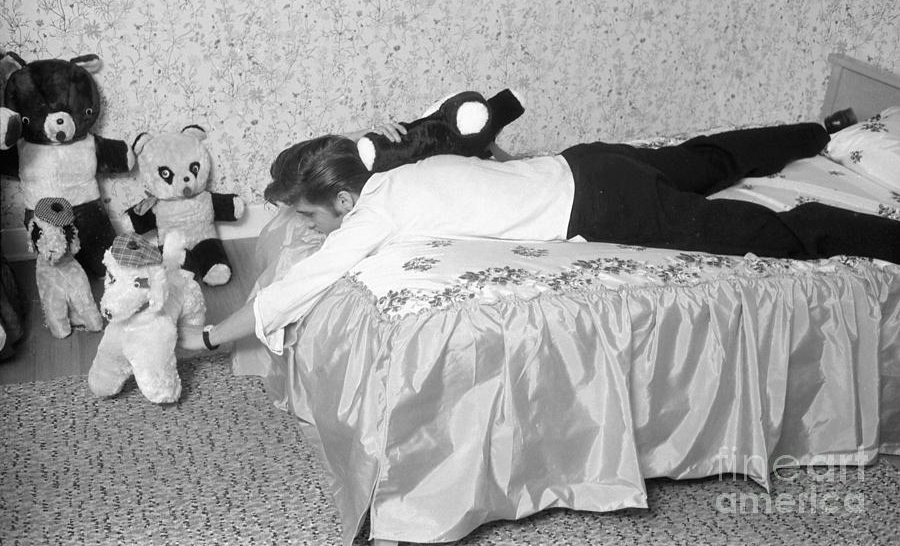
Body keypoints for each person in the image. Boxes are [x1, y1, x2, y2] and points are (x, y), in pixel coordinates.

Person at [179, 121, 900, 354]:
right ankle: (825, 129)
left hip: (602, 204)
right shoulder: (401, 173)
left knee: (772, 234)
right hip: (585, 160)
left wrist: (212, 338)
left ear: (343, 198)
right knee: (704, 159)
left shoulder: (375, 215)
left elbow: (306, 282)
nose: (304, 233)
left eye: (309, 218)